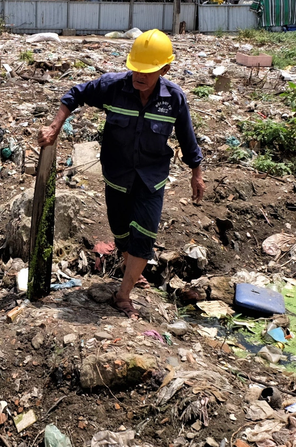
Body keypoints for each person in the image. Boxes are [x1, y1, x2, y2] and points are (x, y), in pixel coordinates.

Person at [37, 30, 204, 319]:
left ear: (164, 69)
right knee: (123, 234)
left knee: (144, 236)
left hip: (152, 179)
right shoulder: (112, 87)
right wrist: (55, 126)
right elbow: (74, 95)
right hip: (117, 175)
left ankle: (123, 295)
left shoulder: (174, 99)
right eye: (136, 69)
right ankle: (132, 269)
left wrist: (196, 173)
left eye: (148, 71)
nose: (140, 76)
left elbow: (187, 139)